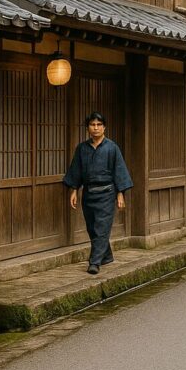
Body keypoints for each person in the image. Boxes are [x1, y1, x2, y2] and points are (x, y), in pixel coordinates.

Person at [64, 112, 133, 275]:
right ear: (88, 128)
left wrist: (120, 194)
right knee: (92, 228)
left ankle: (94, 262)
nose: (96, 128)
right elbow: (76, 171)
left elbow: (119, 171)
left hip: (107, 193)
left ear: (104, 127)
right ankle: (106, 256)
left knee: (102, 227)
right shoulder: (82, 148)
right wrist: (73, 190)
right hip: (88, 193)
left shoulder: (112, 148)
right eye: (92, 125)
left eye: (99, 125)